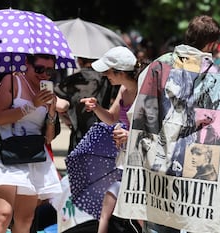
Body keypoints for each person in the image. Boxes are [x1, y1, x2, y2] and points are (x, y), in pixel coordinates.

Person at [121, 15, 220, 232]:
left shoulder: (157, 66)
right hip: (195, 166)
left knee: (158, 220)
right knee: (192, 222)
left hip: (158, 158)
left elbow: (138, 113)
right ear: (211, 44)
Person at [0, 54, 62, 233]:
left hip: (32, 156)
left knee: (26, 219)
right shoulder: (12, 81)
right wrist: (32, 105)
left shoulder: (46, 91)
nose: (44, 75)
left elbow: (48, 137)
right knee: (3, 213)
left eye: (49, 71)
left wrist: (51, 112)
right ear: (27, 64)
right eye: (39, 69)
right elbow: (0, 118)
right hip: (5, 152)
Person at [81, 46, 143, 233]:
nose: (105, 75)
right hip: (126, 156)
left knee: (138, 210)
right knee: (111, 197)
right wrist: (97, 107)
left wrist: (130, 135)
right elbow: (112, 118)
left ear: (120, 72)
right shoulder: (123, 89)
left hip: (144, 159)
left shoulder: (145, 90)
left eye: (108, 72)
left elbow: (158, 129)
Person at [54, 57, 111, 153]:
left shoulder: (72, 80)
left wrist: (65, 117)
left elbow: (55, 96)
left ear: (80, 61)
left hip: (78, 133)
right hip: (103, 132)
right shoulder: (107, 79)